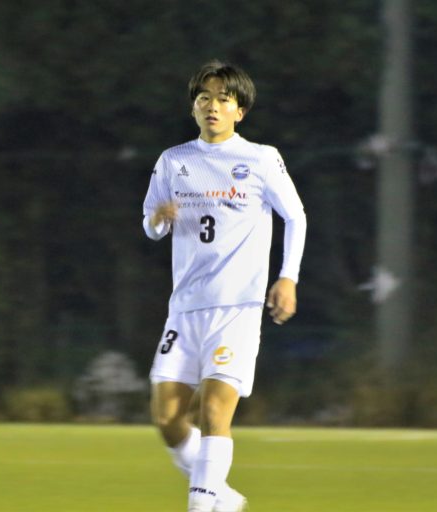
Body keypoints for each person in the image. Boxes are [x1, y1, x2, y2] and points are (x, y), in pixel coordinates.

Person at [142, 59, 307, 512]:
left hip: (236, 307)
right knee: (168, 419)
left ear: (240, 110)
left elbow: (295, 216)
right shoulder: (173, 160)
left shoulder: (260, 159)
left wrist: (288, 277)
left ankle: (202, 505)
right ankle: (223, 496)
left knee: (214, 411)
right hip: (184, 308)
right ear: (193, 108)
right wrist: (158, 220)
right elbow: (150, 225)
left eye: (223, 99)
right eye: (204, 98)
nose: (212, 106)